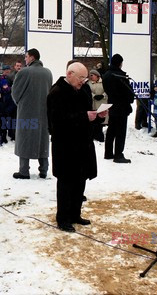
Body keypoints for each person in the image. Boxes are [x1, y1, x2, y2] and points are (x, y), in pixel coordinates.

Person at [47, 62, 107, 232]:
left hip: (83, 144)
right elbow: (57, 121)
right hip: (65, 146)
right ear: (70, 74)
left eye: (85, 78)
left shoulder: (83, 90)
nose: (83, 81)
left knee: (80, 181)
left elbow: (87, 114)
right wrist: (84, 116)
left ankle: (75, 214)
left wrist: (98, 116)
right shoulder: (56, 93)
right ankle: (63, 218)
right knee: (66, 182)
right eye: (81, 78)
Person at [11, 48, 53, 179]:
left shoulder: (24, 72)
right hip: (44, 112)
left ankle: (24, 171)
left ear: (32, 57)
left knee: (24, 140)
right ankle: (44, 169)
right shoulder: (48, 73)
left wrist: (21, 104)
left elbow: (15, 92)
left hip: (27, 112)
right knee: (42, 140)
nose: (25, 59)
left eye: (26, 57)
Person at [102, 53, 135, 163]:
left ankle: (108, 153)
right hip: (121, 106)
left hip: (112, 105)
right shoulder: (119, 76)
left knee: (111, 130)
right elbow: (128, 92)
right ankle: (118, 154)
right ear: (120, 63)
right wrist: (129, 100)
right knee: (120, 132)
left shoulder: (106, 75)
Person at [87, 69, 108, 142]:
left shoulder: (104, 82)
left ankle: (100, 136)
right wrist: (94, 95)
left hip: (102, 103)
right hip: (94, 103)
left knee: (101, 120)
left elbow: (107, 91)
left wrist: (103, 95)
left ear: (97, 76)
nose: (91, 77)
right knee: (95, 120)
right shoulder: (89, 83)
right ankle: (95, 135)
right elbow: (88, 91)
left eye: (92, 75)